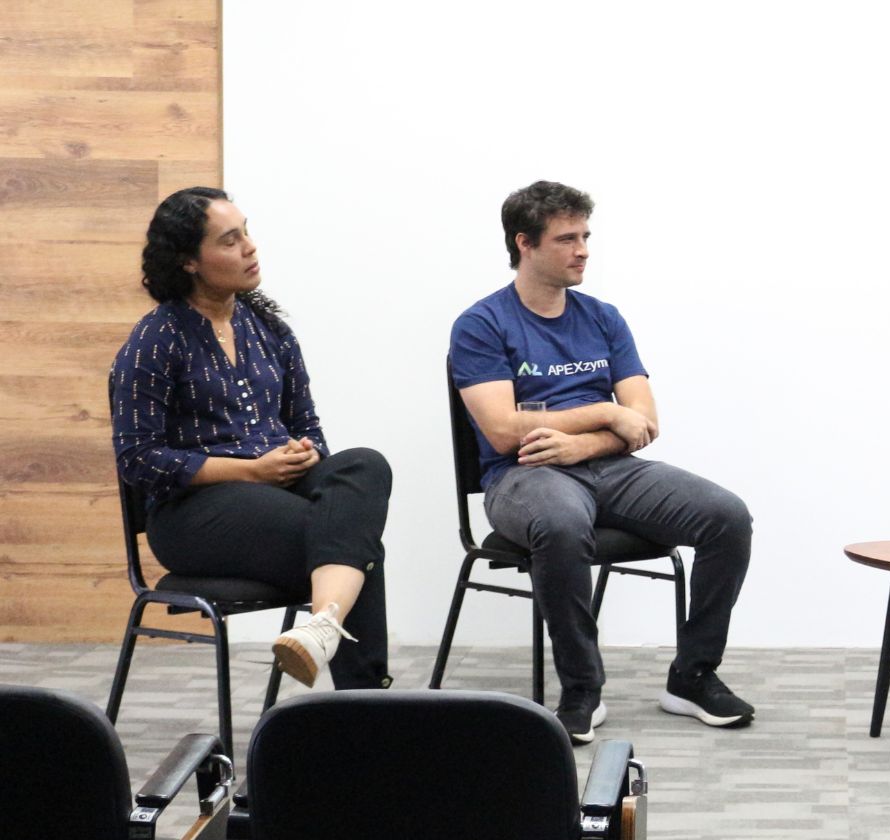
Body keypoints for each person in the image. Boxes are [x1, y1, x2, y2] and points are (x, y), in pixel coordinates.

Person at [449, 181, 755, 743]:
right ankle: (582, 689)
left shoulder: (604, 318)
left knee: (727, 516)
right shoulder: (482, 324)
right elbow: (501, 429)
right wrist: (604, 414)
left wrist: (584, 443)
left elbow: (644, 420)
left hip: (606, 469)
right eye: (567, 238)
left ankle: (692, 676)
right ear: (525, 244)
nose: (584, 249)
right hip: (521, 475)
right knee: (562, 524)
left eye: (586, 235)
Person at [111, 186, 392, 690]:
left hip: (273, 491)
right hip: (193, 514)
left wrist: (303, 453)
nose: (250, 247)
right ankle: (364, 706)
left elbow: (308, 428)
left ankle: (323, 634)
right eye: (230, 240)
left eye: (247, 232)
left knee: (365, 465)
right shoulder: (155, 339)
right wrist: (251, 469)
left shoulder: (268, 328)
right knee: (351, 541)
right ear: (190, 261)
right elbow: (138, 458)